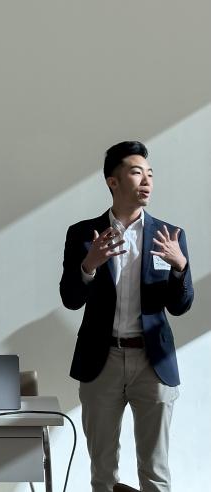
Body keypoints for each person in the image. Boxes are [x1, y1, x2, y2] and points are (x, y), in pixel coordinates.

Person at [59, 141, 193, 492]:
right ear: (112, 182)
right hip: (100, 361)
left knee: (156, 472)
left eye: (150, 174)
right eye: (137, 172)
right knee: (102, 471)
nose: (147, 180)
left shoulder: (170, 236)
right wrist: (89, 265)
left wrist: (180, 267)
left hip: (153, 362)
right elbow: (70, 299)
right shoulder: (83, 234)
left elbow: (181, 305)